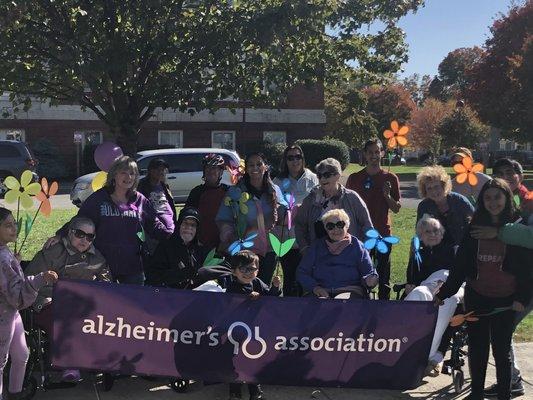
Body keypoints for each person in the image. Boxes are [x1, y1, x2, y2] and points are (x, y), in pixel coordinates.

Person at [435, 178, 532, 400]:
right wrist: (444, 293)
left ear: (507, 198)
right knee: (478, 350)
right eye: (487, 198)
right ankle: (476, 394)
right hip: (477, 297)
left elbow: (527, 269)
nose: (493, 202)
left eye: (497, 197)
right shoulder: (474, 227)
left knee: (501, 351)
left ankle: (504, 395)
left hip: (507, 300)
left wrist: (522, 297)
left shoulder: (517, 227)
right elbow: (460, 266)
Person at [46, 156, 174, 284]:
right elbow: (80, 220)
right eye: (123, 172)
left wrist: (174, 236)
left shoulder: (140, 200)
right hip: (102, 265)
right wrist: (60, 235)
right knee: (105, 303)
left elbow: (154, 225)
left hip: (132, 265)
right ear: (114, 175)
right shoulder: (99, 198)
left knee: (131, 303)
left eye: (132, 173)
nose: (128, 177)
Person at [25, 217, 109, 382]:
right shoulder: (52, 252)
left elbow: (107, 284)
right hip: (49, 300)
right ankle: (70, 364)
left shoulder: (96, 257)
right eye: (80, 234)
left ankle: (98, 360)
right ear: (70, 233)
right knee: (64, 318)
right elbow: (31, 279)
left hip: (82, 303)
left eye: (90, 237)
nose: (84, 240)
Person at [0, 207, 58, 400]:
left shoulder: (4, 252)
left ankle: (14, 393)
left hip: (11, 314)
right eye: (8, 225)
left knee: (21, 354)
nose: (14, 228)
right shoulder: (1, 258)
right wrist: (41, 279)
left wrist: (15, 263)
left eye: (15, 223)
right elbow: (16, 295)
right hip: (3, 316)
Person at [217, 250, 281, 400]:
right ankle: (234, 390)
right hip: (234, 333)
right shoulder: (232, 286)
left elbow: (272, 297)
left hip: (255, 331)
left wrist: (276, 287)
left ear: (257, 271)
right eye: (243, 269)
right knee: (233, 361)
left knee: (253, 360)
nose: (248, 273)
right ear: (234, 272)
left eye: (252, 269)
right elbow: (230, 304)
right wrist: (247, 298)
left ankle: (255, 389)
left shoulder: (257, 283)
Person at [404, 214, 461, 376]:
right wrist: (410, 284)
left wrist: (447, 286)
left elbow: (459, 276)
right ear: (421, 236)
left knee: (446, 301)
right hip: (427, 289)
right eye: (428, 232)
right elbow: (413, 278)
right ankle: (400, 342)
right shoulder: (418, 253)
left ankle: (432, 355)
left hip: (451, 289)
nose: (433, 234)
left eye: (436, 230)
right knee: (417, 293)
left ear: (442, 232)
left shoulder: (453, 250)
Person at [216, 153, 283, 285]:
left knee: (263, 286)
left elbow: (284, 216)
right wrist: (230, 235)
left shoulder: (275, 190)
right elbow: (223, 218)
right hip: (245, 250)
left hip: (269, 249)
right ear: (246, 169)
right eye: (251, 165)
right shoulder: (235, 192)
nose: (255, 168)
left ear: (266, 167)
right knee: (245, 286)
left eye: (259, 164)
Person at [346, 138, 401, 300]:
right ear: (364, 154)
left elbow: (396, 209)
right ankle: (360, 310)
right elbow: (347, 207)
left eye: (377, 152)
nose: (374, 156)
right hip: (361, 235)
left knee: (384, 278)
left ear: (382, 153)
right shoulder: (354, 178)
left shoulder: (390, 178)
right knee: (360, 276)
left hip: (383, 234)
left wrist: (387, 195)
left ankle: (382, 314)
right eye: (370, 152)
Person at [295, 158, 373, 257]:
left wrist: (363, 252)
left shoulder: (352, 197)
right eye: (319, 175)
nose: (322, 179)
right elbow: (299, 225)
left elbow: (367, 226)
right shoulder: (311, 199)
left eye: (327, 175)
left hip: (349, 256)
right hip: (319, 257)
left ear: (338, 175)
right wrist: (304, 249)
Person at [296, 209, 378, 299]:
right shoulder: (316, 246)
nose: (336, 229)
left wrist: (370, 280)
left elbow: (369, 272)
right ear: (325, 229)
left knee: (340, 304)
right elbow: (302, 272)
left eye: (340, 225)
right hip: (322, 291)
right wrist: (315, 288)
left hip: (350, 291)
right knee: (319, 305)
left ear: (347, 226)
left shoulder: (358, 246)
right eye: (330, 226)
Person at [272, 144, 318, 296]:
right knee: (290, 277)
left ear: (302, 159)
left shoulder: (312, 179)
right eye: (290, 157)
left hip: (307, 238)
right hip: (287, 239)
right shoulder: (278, 181)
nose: (294, 161)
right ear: (285, 161)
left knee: (306, 278)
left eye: (298, 157)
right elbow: (273, 206)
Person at [145, 207, 207, 289]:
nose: (189, 227)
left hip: (195, 296)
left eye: (193, 225)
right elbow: (153, 275)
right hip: (170, 295)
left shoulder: (200, 249)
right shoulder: (166, 246)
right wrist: (180, 274)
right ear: (179, 225)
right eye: (185, 223)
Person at [416, 165, 474, 246]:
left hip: (462, 247)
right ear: (424, 191)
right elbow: (419, 232)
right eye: (429, 188)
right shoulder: (424, 206)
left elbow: (475, 223)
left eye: (436, 187)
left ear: (444, 186)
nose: (434, 191)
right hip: (435, 249)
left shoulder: (460, 201)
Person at [185, 154, 229, 251]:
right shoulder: (196, 192)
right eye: (207, 168)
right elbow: (187, 216)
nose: (210, 171)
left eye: (214, 168)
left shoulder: (228, 191)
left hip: (224, 242)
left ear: (221, 172)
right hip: (202, 242)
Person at [137, 158, 177, 255]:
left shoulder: (164, 186)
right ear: (150, 170)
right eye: (158, 169)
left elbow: (170, 207)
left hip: (171, 228)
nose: (161, 172)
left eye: (163, 170)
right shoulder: (142, 186)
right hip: (154, 232)